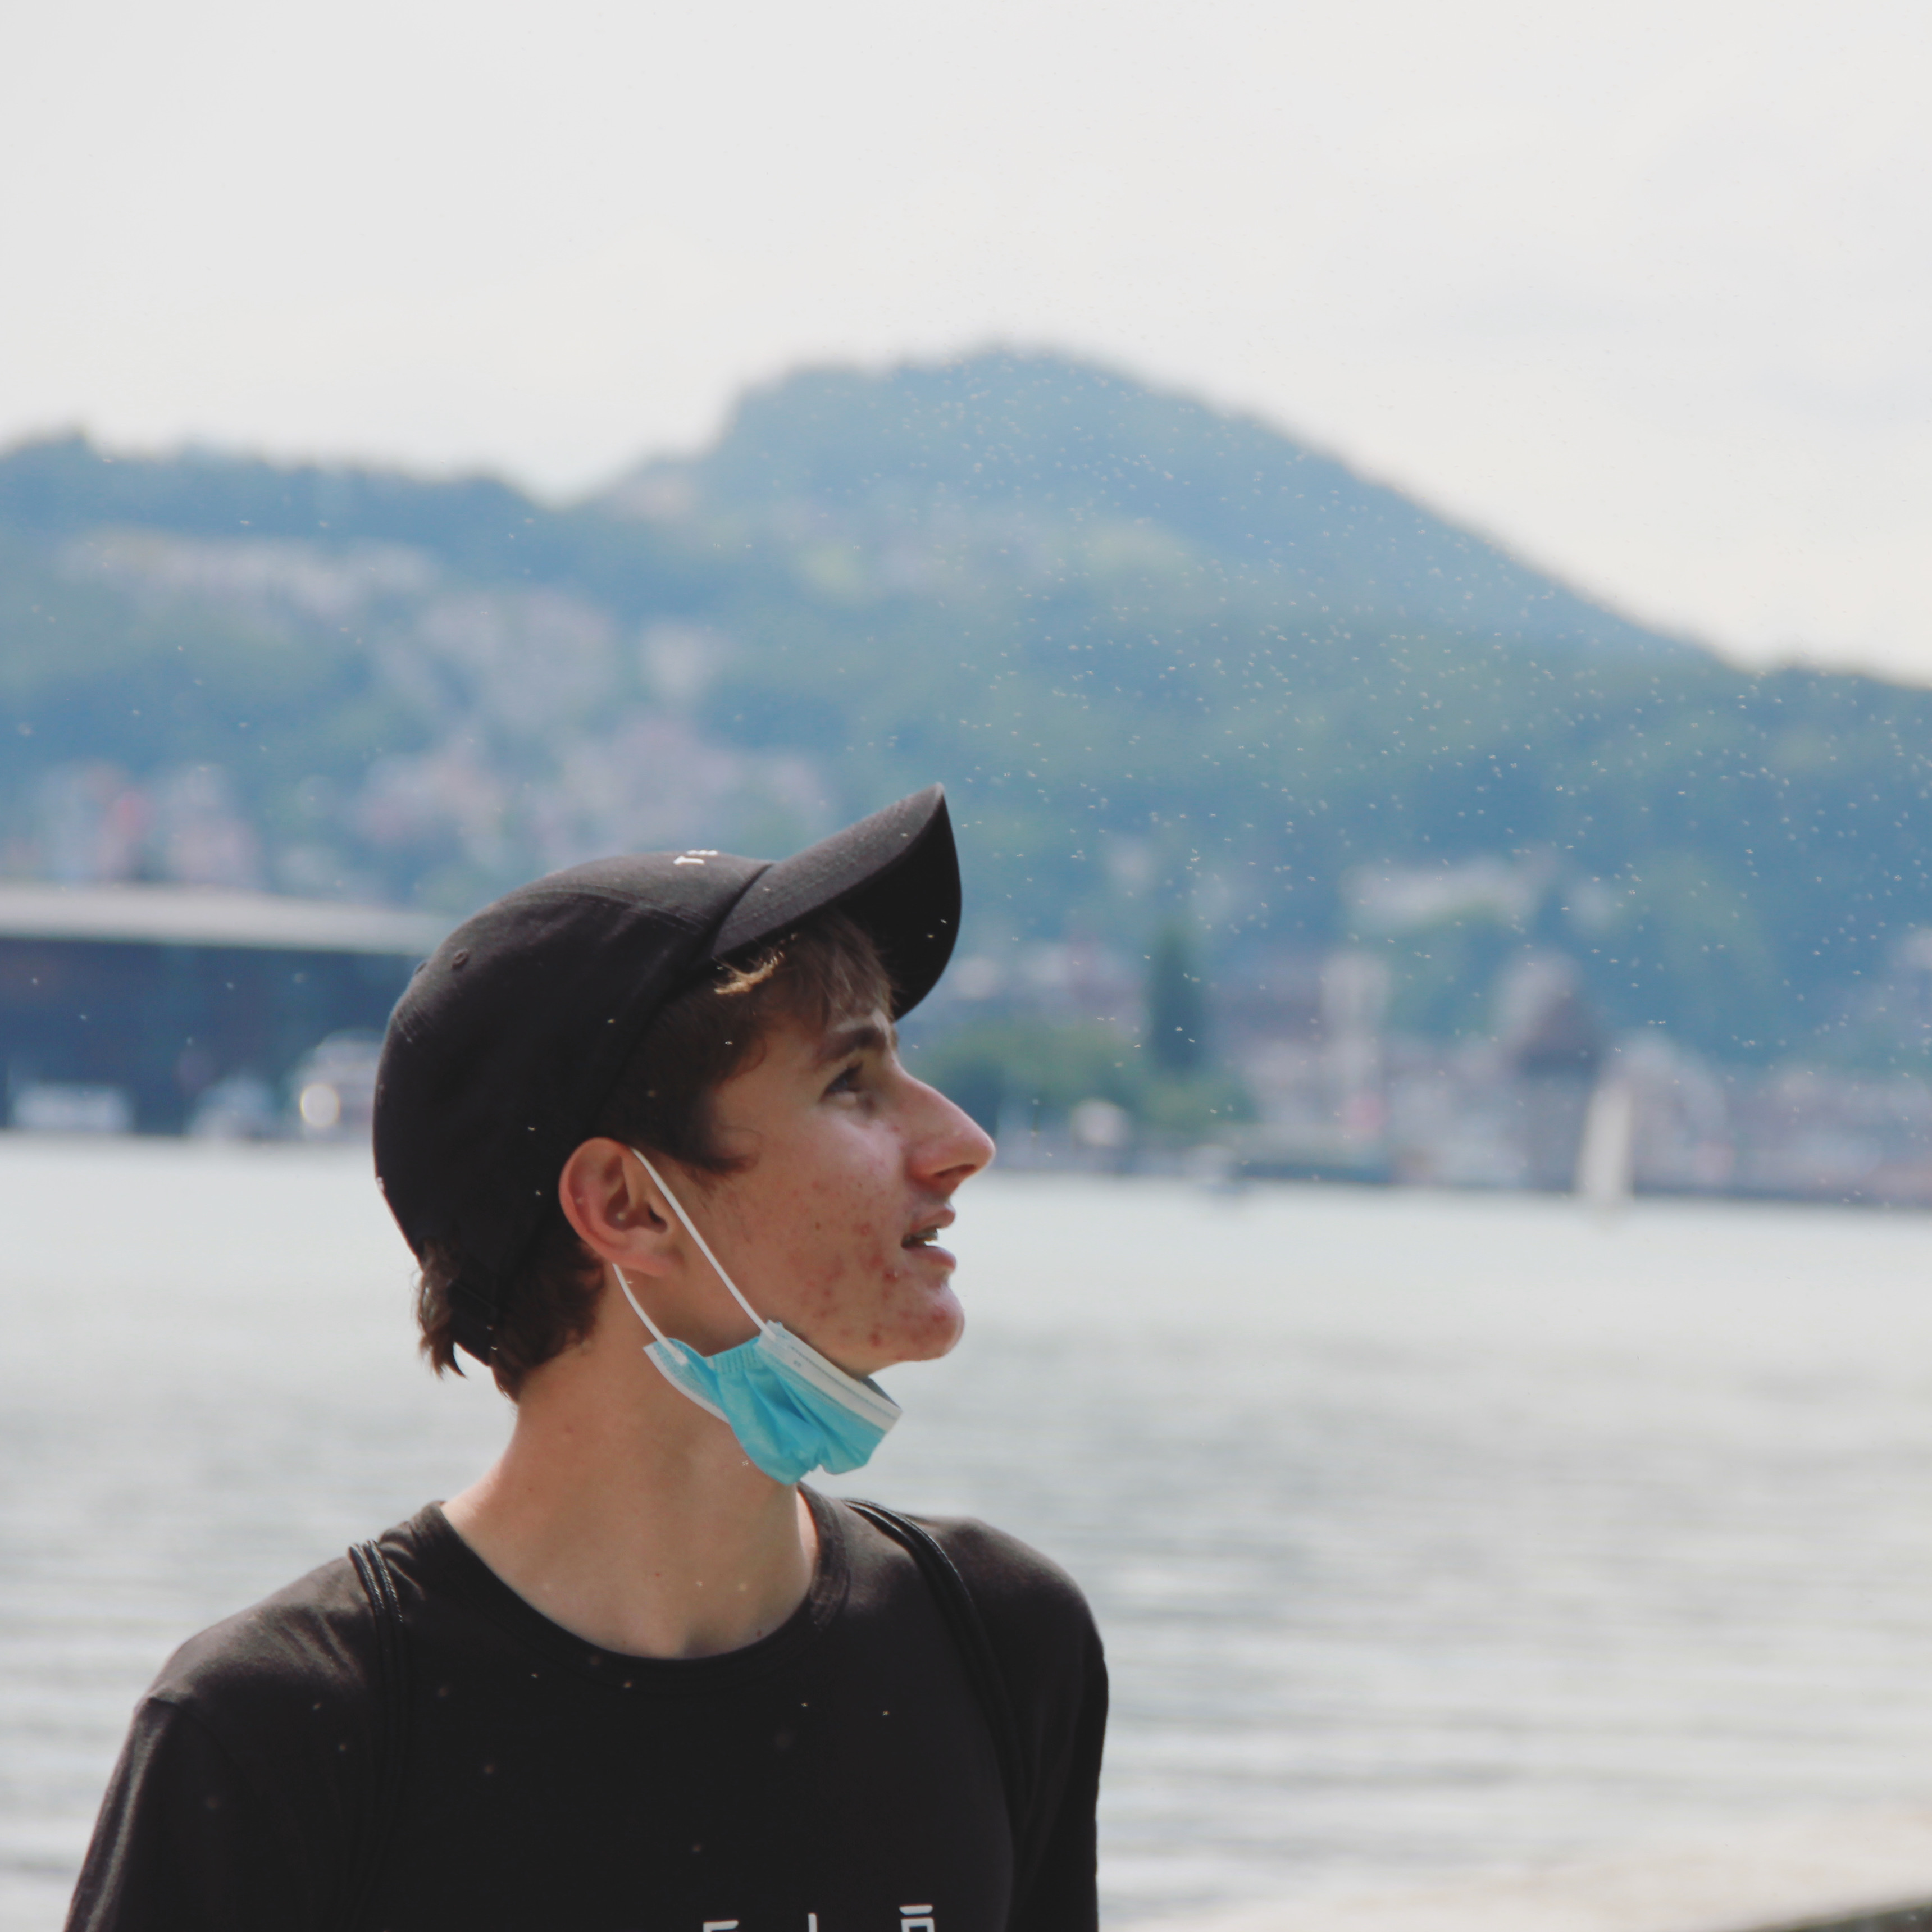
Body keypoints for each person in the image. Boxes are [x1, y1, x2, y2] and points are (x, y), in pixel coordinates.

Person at [66, 785, 1108, 1932]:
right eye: (849, 1082)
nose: (962, 1143)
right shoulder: (285, 1732)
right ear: (626, 1204)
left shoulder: (999, 1648)